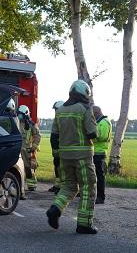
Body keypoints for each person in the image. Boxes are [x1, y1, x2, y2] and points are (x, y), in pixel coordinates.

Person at [47, 80, 98, 234]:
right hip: (82, 156)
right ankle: (84, 224)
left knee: (69, 186)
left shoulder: (60, 110)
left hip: (65, 157)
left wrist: (58, 155)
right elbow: (92, 133)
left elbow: (54, 136)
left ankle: (55, 209)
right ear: (84, 93)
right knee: (88, 188)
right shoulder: (85, 108)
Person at [17, 105, 41, 191]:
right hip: (18, 149)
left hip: (28, 150)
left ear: (26, 114)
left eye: (21, 114)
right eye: (19, 114)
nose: (19, 116)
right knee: (19, 168)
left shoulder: (32, 125)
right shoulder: (17, 123)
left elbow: (37, 136)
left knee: (29, 168)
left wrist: (34, 146)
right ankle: (20, 186)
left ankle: (32, 185)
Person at [93, 105, 111, 204]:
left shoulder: (104, 122)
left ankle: (100, 197)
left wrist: (90, 136)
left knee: (100, 176)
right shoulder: (99, 122)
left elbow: (102, 136)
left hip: (100, 153)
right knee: (93, 175)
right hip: (94, 152)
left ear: (96, 113)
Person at [48, 100, 65, 194]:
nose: (55, 111)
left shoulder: (64, 119)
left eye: (57, 109)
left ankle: (62, 188)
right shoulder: (57, 118)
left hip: (62, 147)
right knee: (57, 165)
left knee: (62, 167)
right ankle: (58, 185)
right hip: (56, 148)